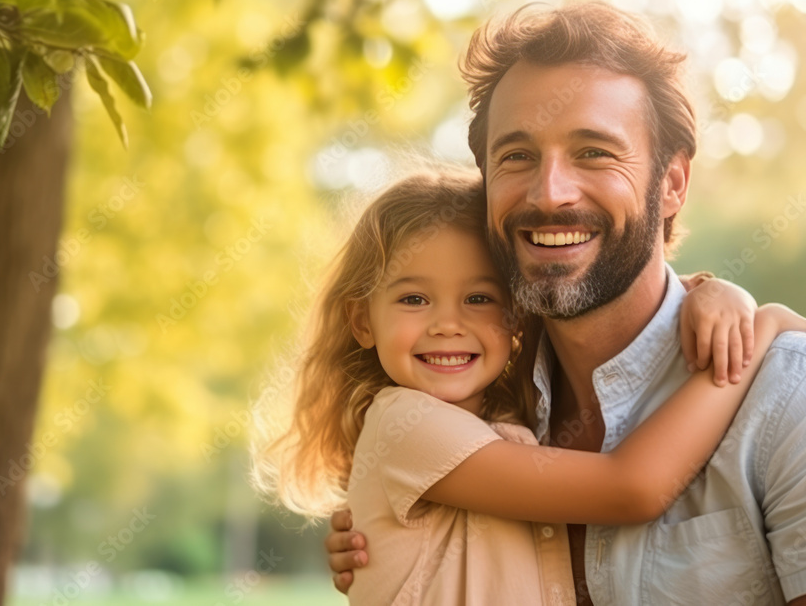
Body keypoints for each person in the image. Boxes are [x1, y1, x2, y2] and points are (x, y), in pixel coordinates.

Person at [326, 2, 806, 605]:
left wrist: (746, 315)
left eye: (594, 152)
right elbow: (632, 487)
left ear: (673, 183)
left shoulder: (789, 395)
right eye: (517, 155)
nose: (549, 193)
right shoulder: (491, 406)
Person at [253, 168, 805, 604]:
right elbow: (632, 487)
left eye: (479, 298)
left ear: (515, 315)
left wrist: (711, 290)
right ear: (361, 321)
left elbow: (611, 298)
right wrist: (765, 328)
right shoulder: (405, 424)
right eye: (414, 299)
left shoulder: (510, 416)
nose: (448, 324)